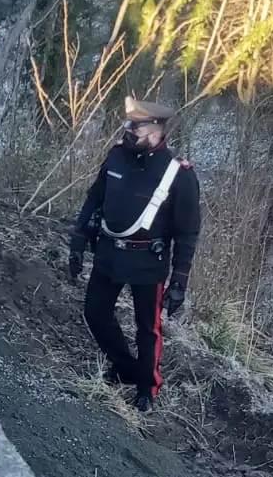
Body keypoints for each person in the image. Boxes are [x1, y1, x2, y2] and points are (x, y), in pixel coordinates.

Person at [69, 96, 201, 413]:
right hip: (108, 253)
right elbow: (94, 198)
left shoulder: (178, 174)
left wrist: (180, 279)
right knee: (95, 313)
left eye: (136, 126)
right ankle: (125, 367)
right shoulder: (116, 157)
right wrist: (78, 237)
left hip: (148, 263)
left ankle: (146, 387)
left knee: (147, 329)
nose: (129, 131)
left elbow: (188, 231)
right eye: (128, 124)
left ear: (156, 130)